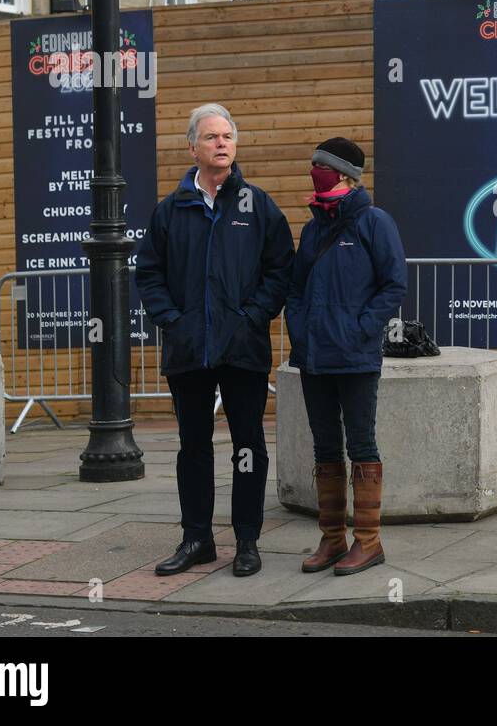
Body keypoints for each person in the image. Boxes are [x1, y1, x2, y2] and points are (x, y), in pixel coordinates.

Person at [135, 104, 294, 578]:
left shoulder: (258, 206)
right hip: (190, 350)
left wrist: (253, 315)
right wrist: (172, 320)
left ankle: (247, 540)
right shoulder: (170, 211)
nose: (222, 143)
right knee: (193, 447)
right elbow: (148, 272)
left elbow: (280, 267)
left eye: (228, 136)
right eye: (211, 137)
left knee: (247, 445)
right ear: (192, 148)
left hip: (242, 348)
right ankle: (197, 539)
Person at [287, 138, 407, 576]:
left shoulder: (374, 222)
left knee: (361, 444)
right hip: (315, 358)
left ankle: (369, 542)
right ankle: (333, 539)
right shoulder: (314, 227)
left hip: (355, 358)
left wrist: (360, 329)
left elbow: (394, 284)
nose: (312, 168)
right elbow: (296, 288)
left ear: (342, 174)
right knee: (324, 447)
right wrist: (298, 330)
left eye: (319, 164)